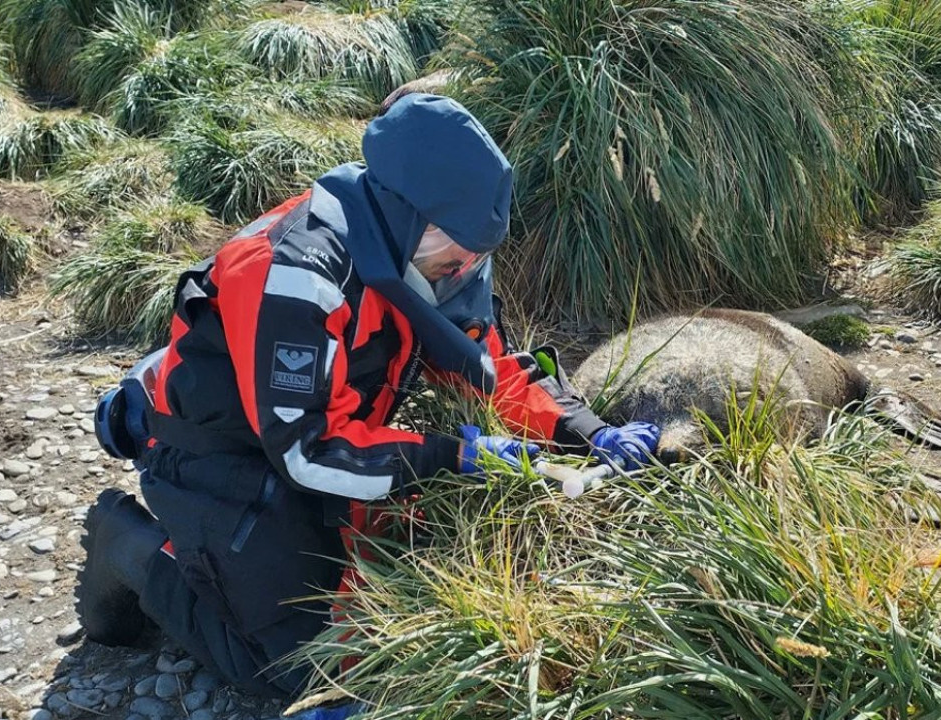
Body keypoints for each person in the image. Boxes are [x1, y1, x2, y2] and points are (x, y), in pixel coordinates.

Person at [74, 92, 661, 698]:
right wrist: (453, 457)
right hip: (227, 452)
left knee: (373, 585)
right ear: (409, 216)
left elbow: (486, 369)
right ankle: (132, 547)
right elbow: (305, 451)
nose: (463, 268)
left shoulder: (425, 261)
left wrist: (587, 432)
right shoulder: (297, 275)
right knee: (300, 673)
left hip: (323, 430)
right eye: (454, 250)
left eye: (476, 255)